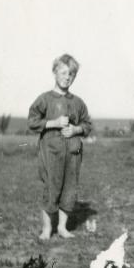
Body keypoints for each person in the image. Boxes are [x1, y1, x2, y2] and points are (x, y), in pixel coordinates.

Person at [28, 54, 92, 240]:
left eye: (71, 74)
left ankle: (63, 228)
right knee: (51, 188)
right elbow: (32, 121)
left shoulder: (78, 102)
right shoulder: (44, 99)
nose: (67, 77)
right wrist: (54, 123)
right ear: (55, 72)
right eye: (63, 72)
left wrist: (76, 129)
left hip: (73, 154)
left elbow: (87, 125)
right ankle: (47, 229)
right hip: (51, 153)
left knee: (69, 189)